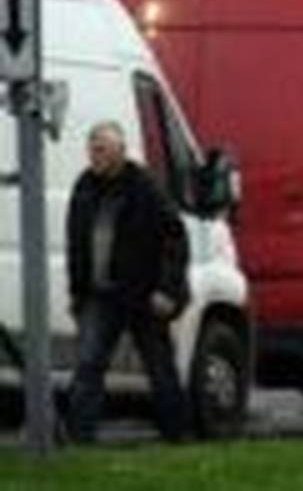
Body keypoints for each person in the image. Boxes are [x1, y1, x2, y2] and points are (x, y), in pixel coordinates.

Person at [64, 120, 191, 443]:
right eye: (93, 149)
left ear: (121, 151)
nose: (95, 155)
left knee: (159, 366)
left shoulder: (145, 187)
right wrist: (77, 294)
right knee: (88, 364)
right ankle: (80, 437)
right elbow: (75, 244)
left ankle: (177, 434)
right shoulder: (84, 187)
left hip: (142, 294)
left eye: (102, 149)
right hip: (99, 295)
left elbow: (175, 238)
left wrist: (167, 288)